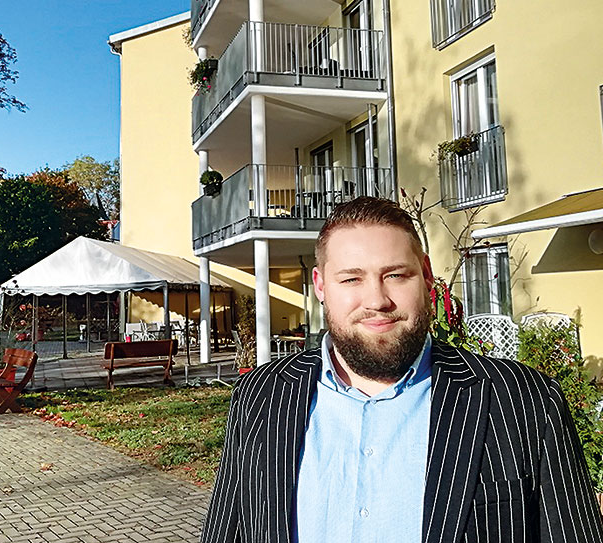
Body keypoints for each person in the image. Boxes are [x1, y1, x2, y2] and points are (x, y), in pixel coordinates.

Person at [201, 196, 603, 543]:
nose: (376, 300)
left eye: (395, 275)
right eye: (351, 278)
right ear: (321, 286)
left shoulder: (523, 401)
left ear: (426, 276)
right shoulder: (262, 395)